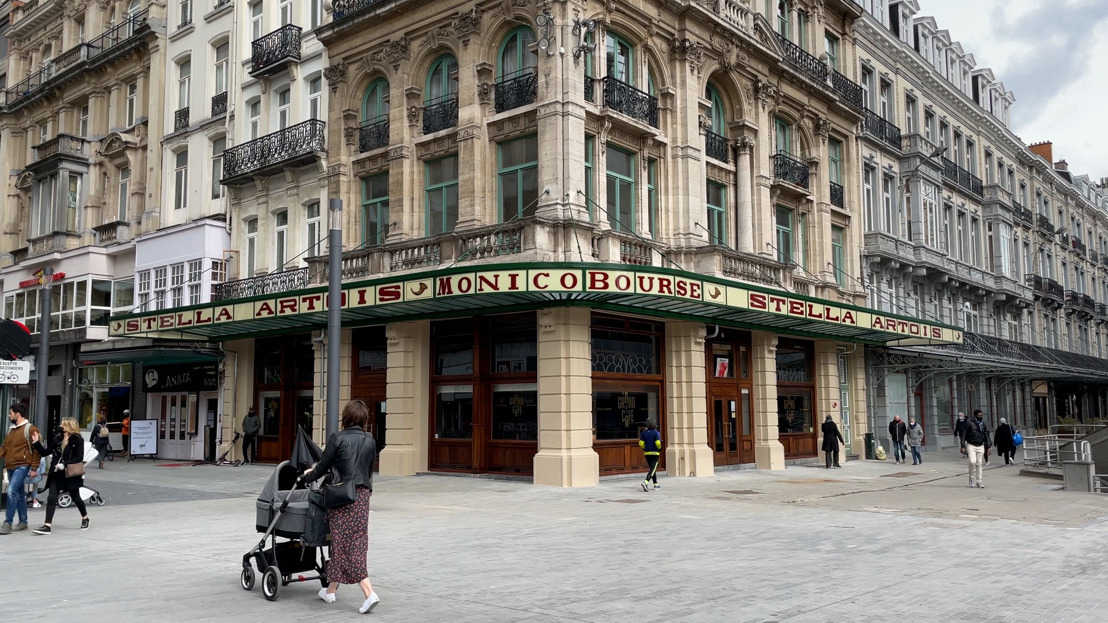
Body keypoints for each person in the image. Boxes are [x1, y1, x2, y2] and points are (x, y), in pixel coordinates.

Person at [301, 400, 379, 614]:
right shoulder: (370, 440)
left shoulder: (338, 438)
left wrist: (308, 476)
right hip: (362, 496)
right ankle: (330, 590)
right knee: (354, 541)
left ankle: (369, 593)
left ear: (346, 416)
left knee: (345, 545)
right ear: (364, 418)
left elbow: (323, 466)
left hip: (341, 497)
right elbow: (369, 469)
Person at [30, 417, 90, 535]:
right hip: (56, 473)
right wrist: (36, 442)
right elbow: (45, 452)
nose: (60, 427)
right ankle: (47, 526)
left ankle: (85, 518)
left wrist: (64, 464)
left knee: (76, 497)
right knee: (52, 498)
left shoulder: (77, 440)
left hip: (70, 473)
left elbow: (79, 457)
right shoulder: (58, 438)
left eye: (63, 425)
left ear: (69, 427)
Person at [1, 403, 41, 535]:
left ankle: (8, 523)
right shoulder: (11, 430)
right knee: (18, 494)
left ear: (17, 414)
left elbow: (37, 450)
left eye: (10, 413)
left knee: (11, 491)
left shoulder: (31, 429)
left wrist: (34, 467)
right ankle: (23, 521)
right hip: (11, 465)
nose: (9, 415)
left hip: (23, 465)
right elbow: (4, 447)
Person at [965, 409, 991, 488]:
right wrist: (963, 445)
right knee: (972, 462)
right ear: (975, 415)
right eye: (979, 415)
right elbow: (964, 433)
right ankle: (971, 478)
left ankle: (979, 481)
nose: (981, 417)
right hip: (971, 445)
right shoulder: (970, 423)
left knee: (979, 463)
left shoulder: (983, 424)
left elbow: (987, 434)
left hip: (980, 445)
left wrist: (989, 446)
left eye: (981, 415)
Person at [639, 420, 662, 491]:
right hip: (655, 453)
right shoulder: (656, 433)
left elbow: (641, 443)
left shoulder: (643, 433)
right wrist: (660, 448)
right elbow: (658, 443)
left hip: (647, 453)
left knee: (652, 469)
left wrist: (644, 448)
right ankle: (645, 482)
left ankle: (656, 484)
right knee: (653, 469)